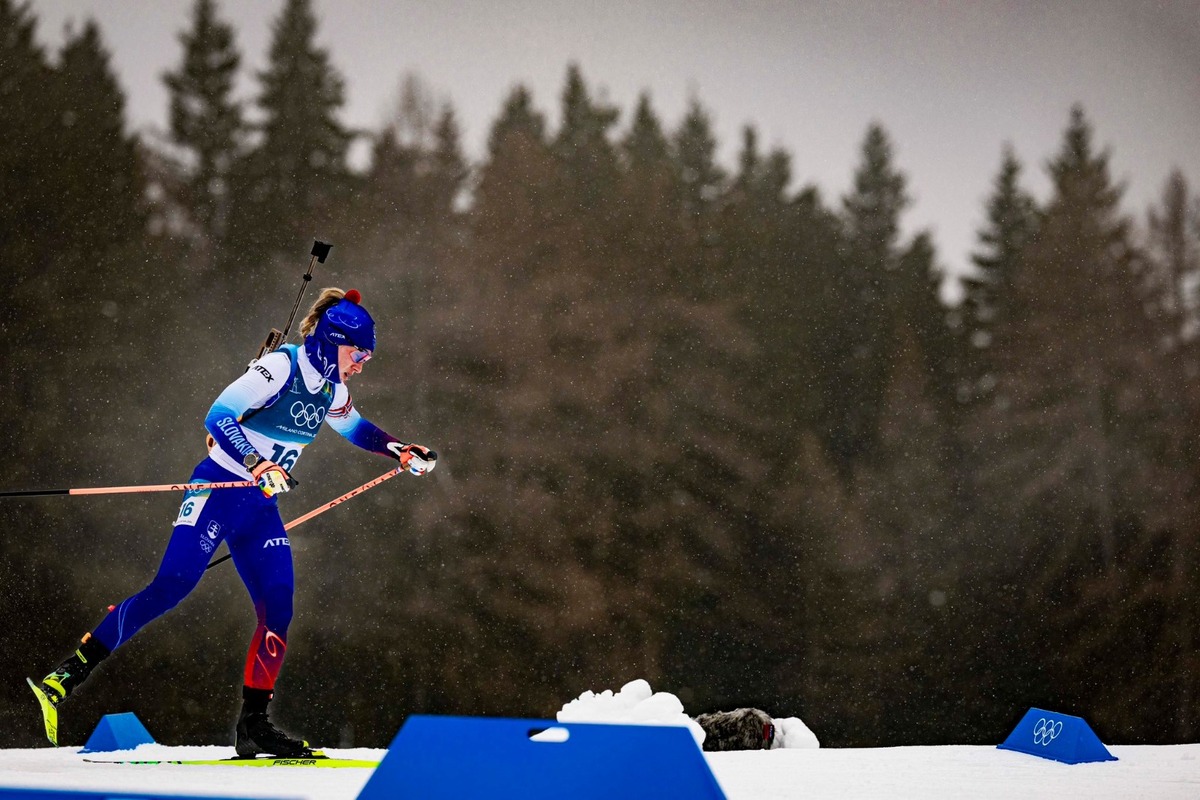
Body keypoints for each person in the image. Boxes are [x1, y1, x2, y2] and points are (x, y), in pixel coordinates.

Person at [30, 288, 435, 756]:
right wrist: (256, 462)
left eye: (366, 357)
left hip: (260, 510)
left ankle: (253, 725)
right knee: (172, 586)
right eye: (358, 353)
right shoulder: (279, 367)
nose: (362, 364)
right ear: (331, 342)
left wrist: (400, 450)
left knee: (278, 607)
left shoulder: (332, 389)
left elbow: (355, 428)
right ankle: (67, 675)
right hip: (218, 491)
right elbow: (218, 415)